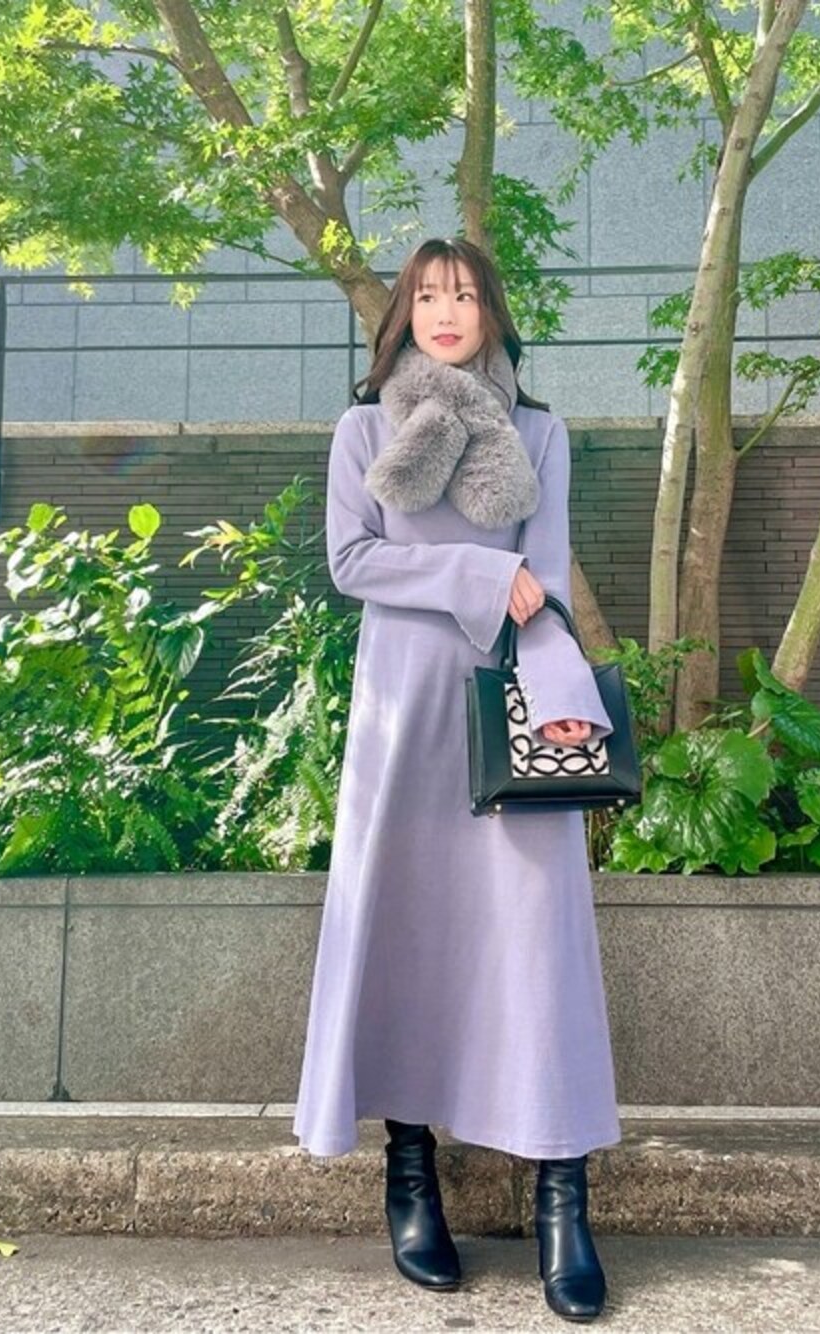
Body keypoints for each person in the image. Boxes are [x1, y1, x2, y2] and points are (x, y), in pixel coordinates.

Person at [292, 236, 621, 1322]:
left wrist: (551, 672)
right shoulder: (363, 430)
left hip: (508, 704)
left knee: (540, 940)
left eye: (464, 294)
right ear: (403, 315)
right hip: (403, 711)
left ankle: (563, 1197)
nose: (445, 311)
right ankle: (410, 1173)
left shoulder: (539, 432)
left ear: (491, 313)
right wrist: (481, 571)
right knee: (408, 929)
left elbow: (548, 576)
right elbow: (353, 560)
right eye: (427, 295)